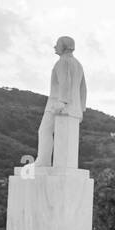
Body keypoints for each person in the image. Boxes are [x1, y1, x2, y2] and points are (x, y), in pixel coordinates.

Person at [33, 36, 87, 169]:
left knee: (44, 131)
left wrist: (62, 102)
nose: (55, 46)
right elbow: (83, 88)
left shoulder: (62, 62)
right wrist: (81, 108)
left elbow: (65, 82)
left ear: (63, 46)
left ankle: (43, 161)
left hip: (58, 105)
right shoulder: (78, 64)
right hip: (74, 108)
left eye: (57, 44)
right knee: (66, 138)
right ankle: (58, 166)